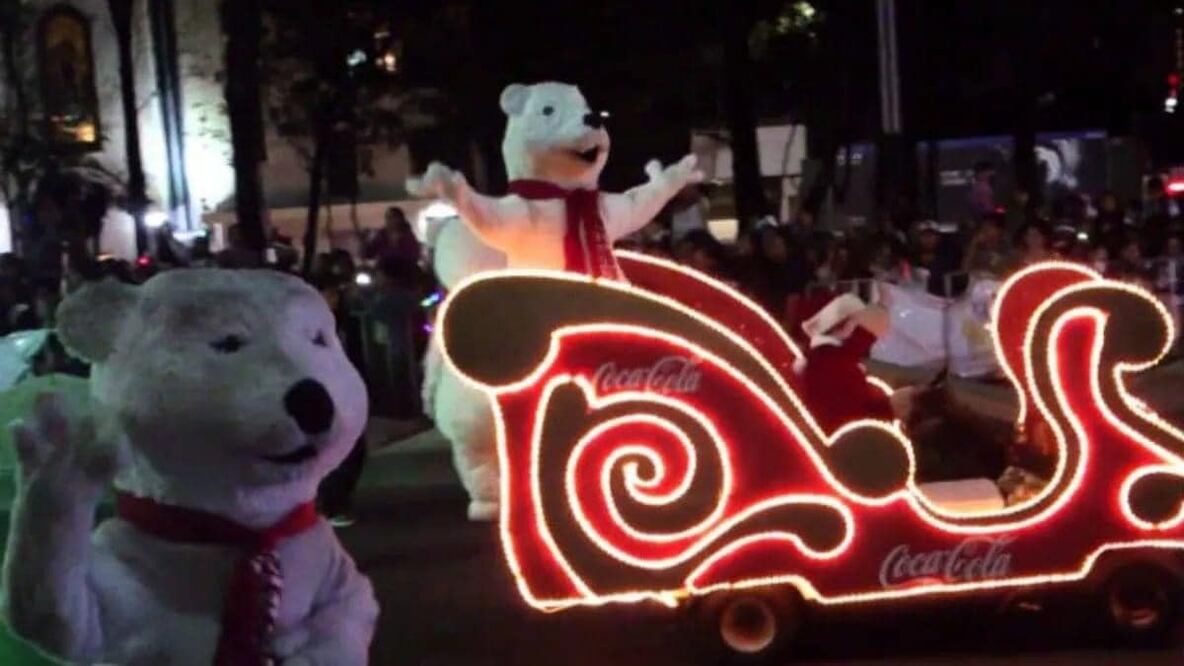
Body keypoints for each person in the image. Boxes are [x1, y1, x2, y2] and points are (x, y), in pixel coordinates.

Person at [963, 212, 1011, 277]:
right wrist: (974, 244)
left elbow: (1007, 273)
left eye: (990, 226)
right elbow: (965, 270)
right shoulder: (977, 248)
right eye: (984, 227)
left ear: (999, 230)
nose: (986, 230)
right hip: (977, 282)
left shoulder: (1007, 249)